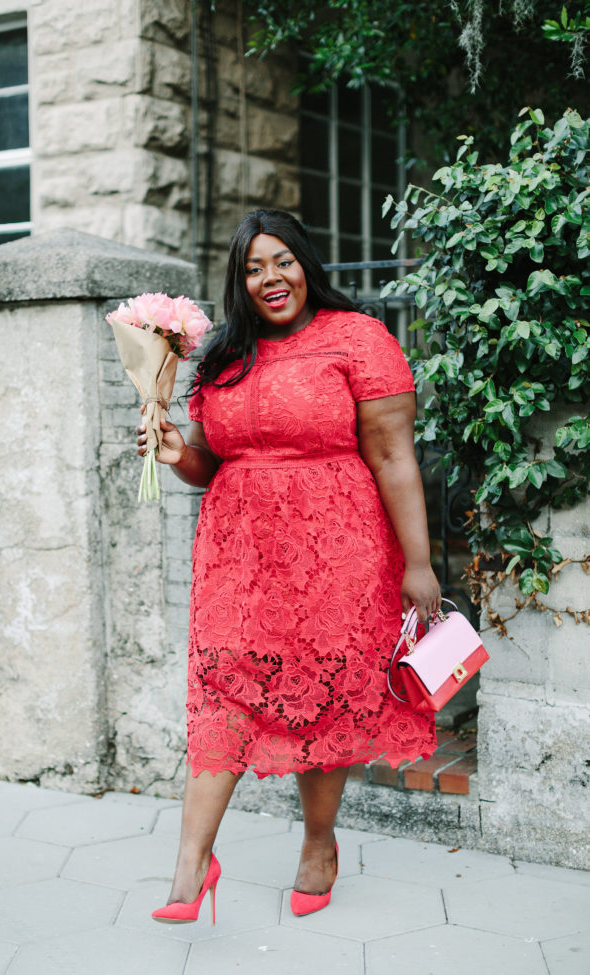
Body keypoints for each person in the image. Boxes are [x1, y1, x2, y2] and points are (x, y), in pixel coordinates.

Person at [136, 209, 441, 924]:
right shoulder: (221, 354)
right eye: (252, 267)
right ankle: (190, 866)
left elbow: (395, 456)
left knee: (323, 695)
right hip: (237, 554)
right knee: (222, 689)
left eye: (282, 261)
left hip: (341, 549)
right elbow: (212, 463)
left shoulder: (358, 339)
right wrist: (176, 449)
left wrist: (419, 562)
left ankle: (318, 844)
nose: (270, 278)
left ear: (306, 262)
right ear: (238, 283)